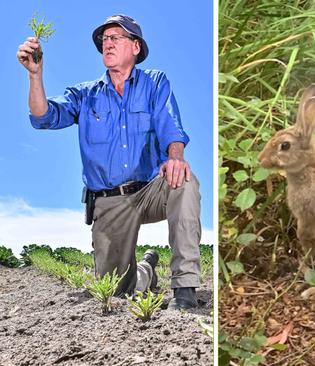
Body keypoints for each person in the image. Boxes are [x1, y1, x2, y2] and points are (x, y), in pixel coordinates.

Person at [16, 14, 202, 310]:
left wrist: (175, 158)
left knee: (185, 182)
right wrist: (34, 75)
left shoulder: (154, 83)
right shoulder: (85, 95)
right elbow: (43, 117)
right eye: (104, 39)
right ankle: (147, 270)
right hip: (109, 201)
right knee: (118, 290)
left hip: (149, 191)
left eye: (116, 37)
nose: (108, 43)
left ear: (136, 47)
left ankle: (186, 287)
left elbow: (171, 126)